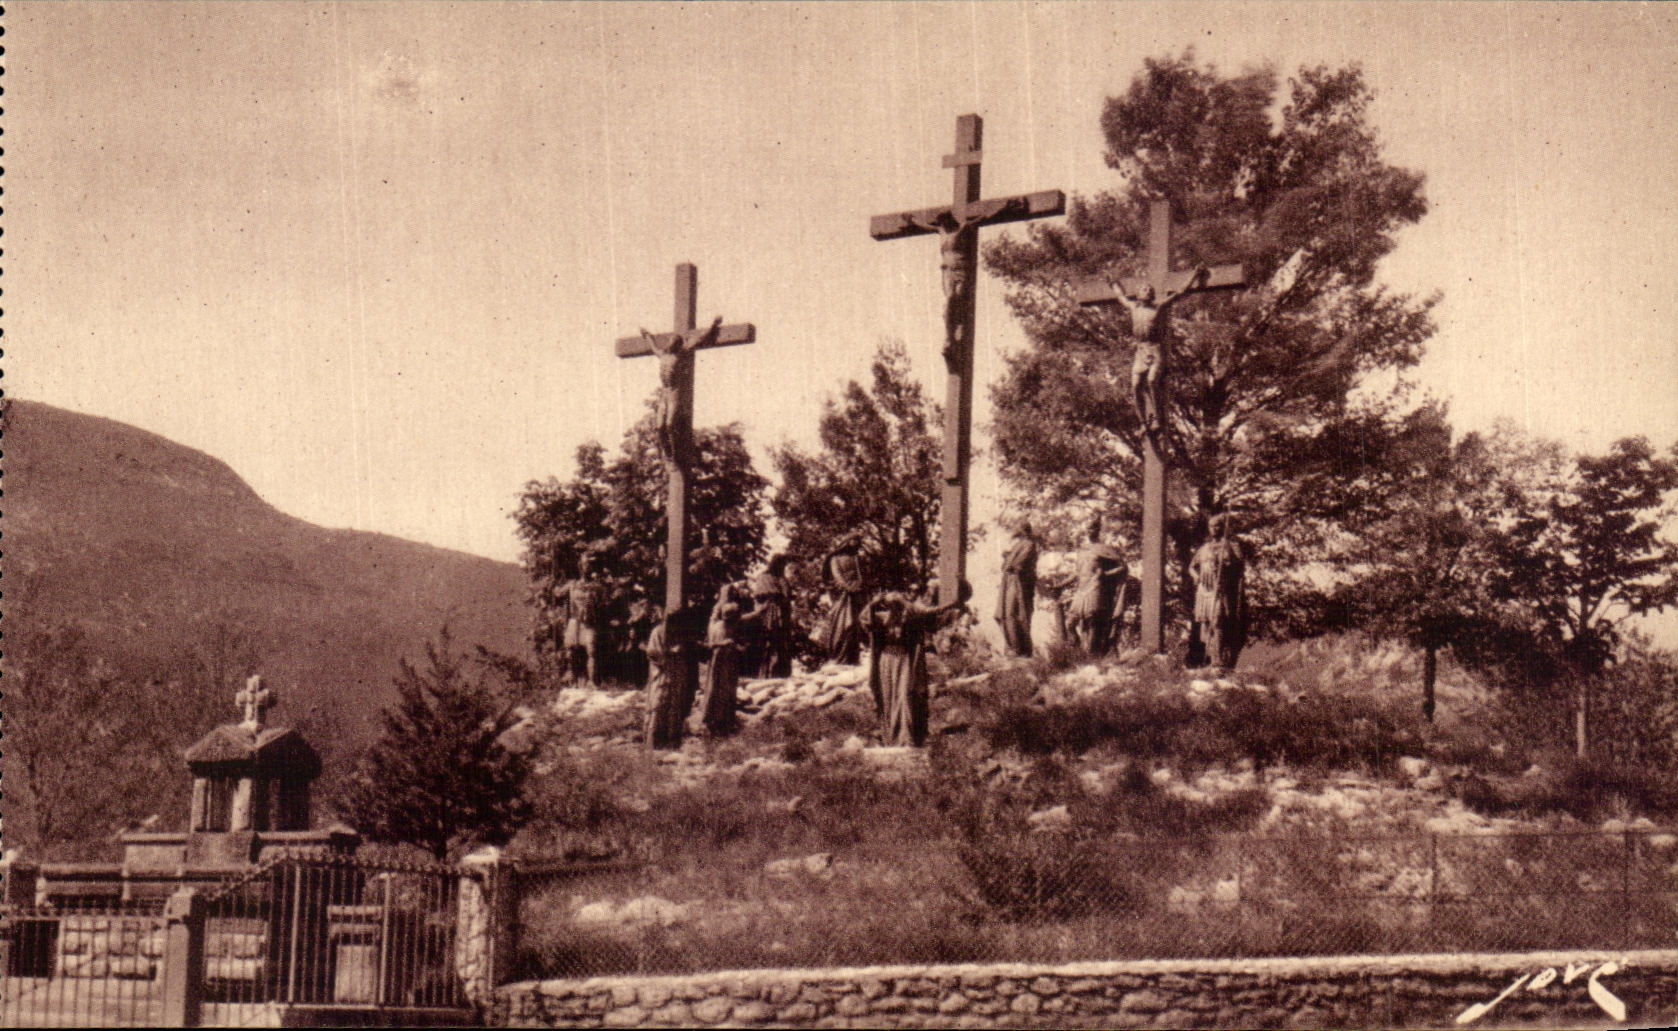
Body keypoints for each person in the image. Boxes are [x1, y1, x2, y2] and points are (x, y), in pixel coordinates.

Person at [861, 580, 971, 747]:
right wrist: (873, 603)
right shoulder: (880, 617)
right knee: (888, 698)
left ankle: (906, 738)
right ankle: (890, 738)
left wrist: (952, 603)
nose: (894, 608)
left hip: (904, 660)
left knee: (905, 696)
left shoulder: (910, 617)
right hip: (886, 661)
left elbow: (932, 612)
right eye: (891, 605)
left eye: (897, 605)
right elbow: (864, 619)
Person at [1109, 268, 1208, 434]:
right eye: (1143, 289)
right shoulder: (1134, 308)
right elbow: (1120, 296)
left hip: (1155, 351)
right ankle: (1143, 423)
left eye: (1150, 290)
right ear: (1138, 294)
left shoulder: (1158, 307)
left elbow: (1180, 292)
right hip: (1140, 352)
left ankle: (1158, 419)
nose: (1147, 291)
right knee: (1135, 386)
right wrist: (1112, 283)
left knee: (1152, 381)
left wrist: (1194, 276)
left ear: (1153, 295)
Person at [1189, 513, 1248, 670]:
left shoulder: (1229, 546)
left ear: (1222, 528)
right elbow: (1191, 566)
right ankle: (1211, 658)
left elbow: (1240, 566)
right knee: (1207, 624)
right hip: (1204, 590)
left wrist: (1227, 563)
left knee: (1218, 621)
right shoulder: (1204, 548)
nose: (1214, 529)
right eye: (1211, 526)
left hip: (1220, 589)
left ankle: (1219, 659)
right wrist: (1196, 576)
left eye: (1217, 526)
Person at [693, 582, 750, 737]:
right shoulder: (720, 626)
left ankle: (721, 720)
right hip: (722, 664)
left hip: (725, 663)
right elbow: (714, 643)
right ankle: (718, 721)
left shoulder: (720, 624)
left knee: (722, 690)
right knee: (720, 690)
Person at [1067, 516, 1130, 655]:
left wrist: (1106, 574)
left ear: (1098, 529)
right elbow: (1077, 572)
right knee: (1070, 623)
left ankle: (1091, 655)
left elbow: (1123, 566)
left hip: (1095, 586)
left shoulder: (1103, 549)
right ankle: (1077, 646)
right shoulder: (1082, 549)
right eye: (1088, 528)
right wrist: (1062, 584)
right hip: (1081, 588)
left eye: (1093, 527)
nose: (1090, 530)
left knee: (1092, 622)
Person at [817, 532, 869, 665]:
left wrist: (858, 586)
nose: (858, 544)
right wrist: (848, 587)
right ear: (848, 541)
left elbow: (861, 576)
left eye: (859, 541)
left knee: (856, 626)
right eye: (855, 540)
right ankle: (840, 656)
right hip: (843, 595)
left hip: (856, 595)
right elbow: (837, 576)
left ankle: (852, 658)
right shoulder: (835, 558)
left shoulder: (856, 558)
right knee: (844, 624)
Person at [562, 553, 609, 686]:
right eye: (584, 564)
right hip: (574, 621)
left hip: (589, 622)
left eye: (589, 565)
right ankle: (572, 677)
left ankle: (592, 681)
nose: (586, 567)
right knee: (570, 651)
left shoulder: (597, 587)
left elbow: (602, 607)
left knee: (591, 650)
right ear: (580, 566)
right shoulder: (573, 585)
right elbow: (566, 605)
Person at [746, 554, 795, 678]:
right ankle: (767, 674)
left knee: (782, 645)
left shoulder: (783, 579)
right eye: (781, 564)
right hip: (768, 615)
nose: (782, 567)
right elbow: (761, 594)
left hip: (783, 617)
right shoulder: (764, 577)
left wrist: (782, 594)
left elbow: (787, 596)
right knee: (769, 643)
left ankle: (782, 673)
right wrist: (774, 595)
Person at [995, 521, 1039, 657]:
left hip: (1019, 583)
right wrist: (1007, 557)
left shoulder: (1029, 545)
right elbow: (1006, 565)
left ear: (1022, 530)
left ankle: (1019, 648)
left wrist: (1009, 560)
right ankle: (1012, 647)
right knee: (1005, 613)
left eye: (1017, 527)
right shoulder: (1017, 545)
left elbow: (1018, 564)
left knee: (1013, 612)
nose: (1014, 530)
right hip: (1009, 581)